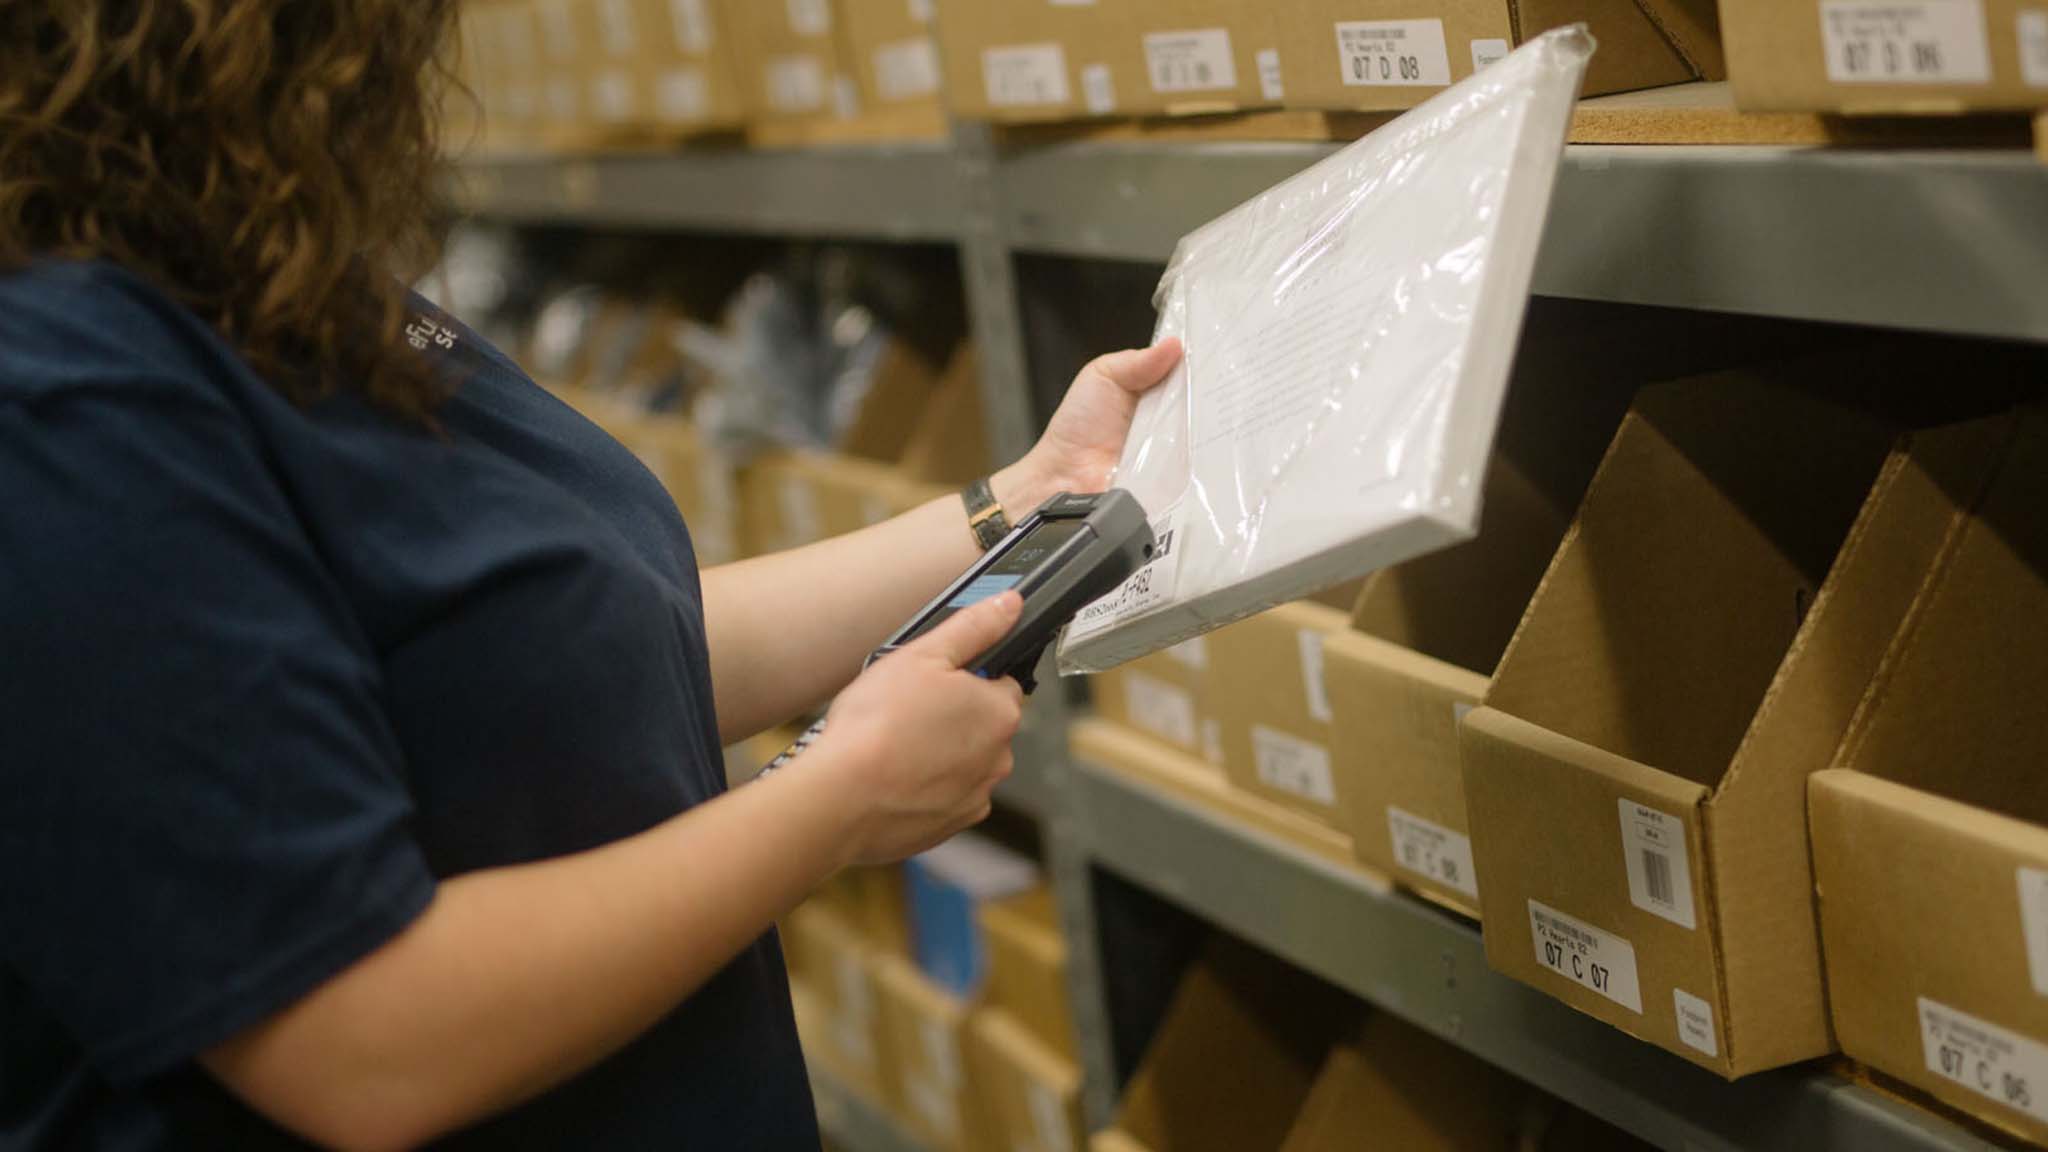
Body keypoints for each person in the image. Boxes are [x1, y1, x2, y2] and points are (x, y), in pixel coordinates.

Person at [0, 4, 1181, 1150]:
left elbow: (562, 651)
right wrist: (837, 797)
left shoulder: (262, 273)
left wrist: (1019, 502)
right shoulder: (62, 403)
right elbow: (361, 1037)